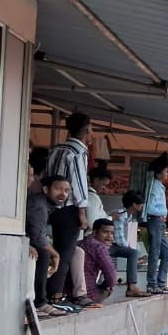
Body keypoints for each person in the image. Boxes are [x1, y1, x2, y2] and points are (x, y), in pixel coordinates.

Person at [44, 113, 92, 310]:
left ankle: (51, 292)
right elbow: (79, 184)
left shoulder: (56, 149)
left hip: (51, 206)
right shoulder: (78, 151)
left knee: (56, 249)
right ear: (87, 130)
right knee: (65, 252)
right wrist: (82, 213)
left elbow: (47, 176)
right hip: (69, 208)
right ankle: (56, 295)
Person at [28, 176, 67, 317]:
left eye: (66, 190)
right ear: (45, 189)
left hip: (27, 241)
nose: (63, 194)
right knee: (43, 254)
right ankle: (40, 303)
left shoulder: (44, 205)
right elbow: (37, 238)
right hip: (22, 242)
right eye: (58, 189)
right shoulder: (39, 206)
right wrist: (55, 254)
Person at [110, 190, 149, 297]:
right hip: (108, 246)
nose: (142, 206)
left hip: (114, 246)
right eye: (141, 203)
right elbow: (120, 240)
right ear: (134, 204)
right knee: (133, 253)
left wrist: (137, 255)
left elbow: (129, 241)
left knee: (134, 253)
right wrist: (135, 254)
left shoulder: (129, 217)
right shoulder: (120, 215)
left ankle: (132, 286)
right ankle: (132, 287)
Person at [146, 152, 168, 294]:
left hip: (159, 222)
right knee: (155, 252)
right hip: (155, 221)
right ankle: (152, 284)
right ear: (158, 174)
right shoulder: (155, 188)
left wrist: (166, 212)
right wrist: (167, 212)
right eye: (165, 171)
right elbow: (150, 209)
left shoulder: (159, 187)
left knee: (166, 253)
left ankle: (161, 283)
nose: (167, 174)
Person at [77, 219, 120, 307]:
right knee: (109, 288)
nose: (110, 236)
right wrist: (105, 286)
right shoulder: (99, 247)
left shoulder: (79, 243)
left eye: (112, 233)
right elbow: (112, 278)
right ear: (94, 232)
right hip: (87, 296)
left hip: (67, 295)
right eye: (105, 232)